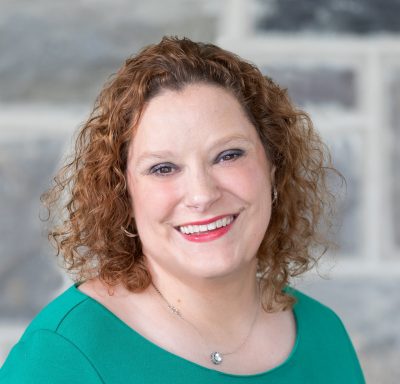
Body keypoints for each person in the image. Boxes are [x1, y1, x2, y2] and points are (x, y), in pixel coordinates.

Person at [0, 36, 365, 383]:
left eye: (228, 155)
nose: (202, 194)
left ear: (272, 166)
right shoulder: (65, 353)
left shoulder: (324, 336)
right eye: (163, 168)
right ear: (123, 192)